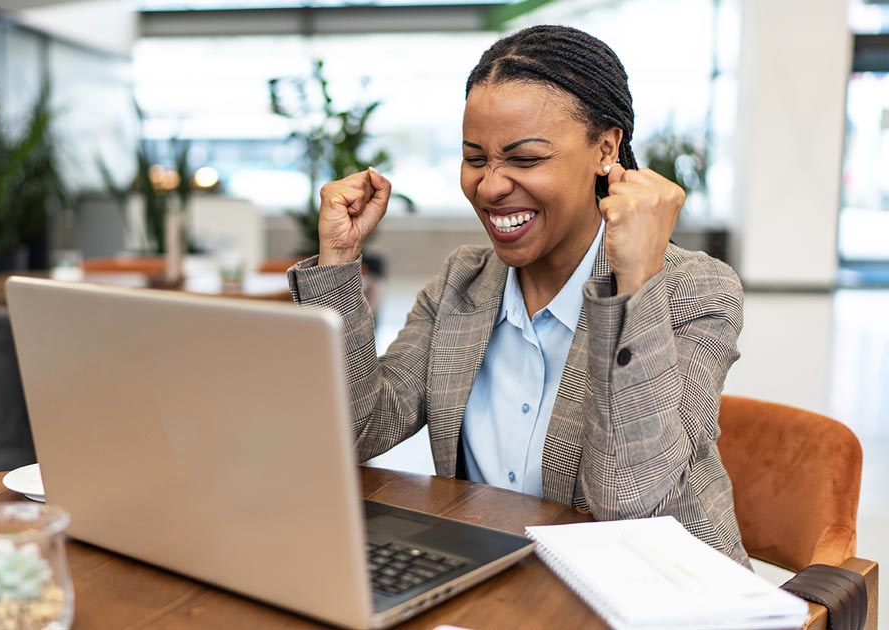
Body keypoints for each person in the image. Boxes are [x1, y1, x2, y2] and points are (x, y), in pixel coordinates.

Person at [286, 25, 749, 566]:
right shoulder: (462, 283)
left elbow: (630, 503)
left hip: (663, 591)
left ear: (606, 149)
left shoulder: (693, 290)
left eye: (525, 159)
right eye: (475, 158)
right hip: (503, 585)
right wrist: (338, 261)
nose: (490, 187)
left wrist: (635, 285)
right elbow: (358, 430)